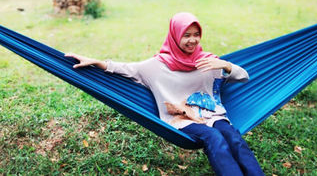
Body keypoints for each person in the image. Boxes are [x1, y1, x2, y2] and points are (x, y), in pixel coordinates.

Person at [65, 12, 264, 176]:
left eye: (196, 34)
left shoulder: (208, 61)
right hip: (182, 119)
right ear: (175, 36)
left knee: (233, 137)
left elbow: (244, 77)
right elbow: (124, 68)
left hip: (212, 115)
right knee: (215, 138)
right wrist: (95, 61)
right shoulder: (156, 67)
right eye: (186, 35)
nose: (192, 40)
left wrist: (227, 65)